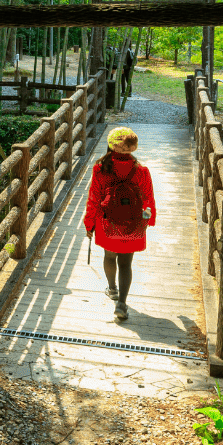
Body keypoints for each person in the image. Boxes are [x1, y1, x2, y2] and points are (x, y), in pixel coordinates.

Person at [83, 127, 156, 320]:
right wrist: (150, 220)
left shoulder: (100, 168)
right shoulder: (141, 171)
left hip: (107, 223)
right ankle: (122, 303)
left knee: (109, 256)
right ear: (133, 147)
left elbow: (93, 199)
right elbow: (149, 198)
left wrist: (89, 223)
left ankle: (112, 289)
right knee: (126, 263)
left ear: (111, 144)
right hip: (132, 224)